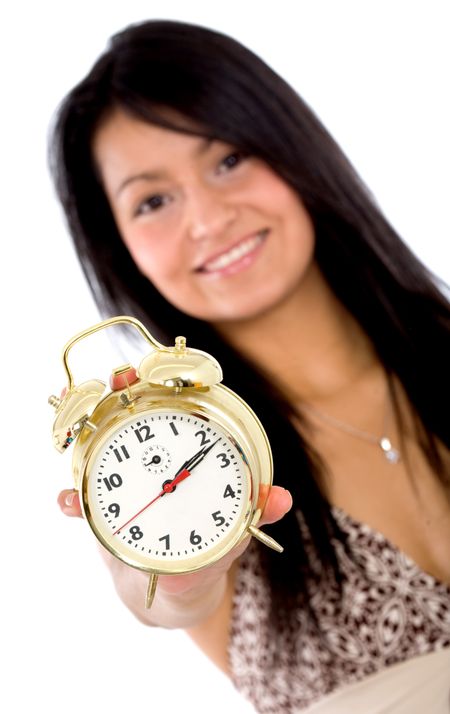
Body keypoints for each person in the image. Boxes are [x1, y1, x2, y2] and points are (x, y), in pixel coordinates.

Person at [50, 19, 450, 713]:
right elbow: (169, 597)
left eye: (228, 159)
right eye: (153, 201)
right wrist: (166, 579)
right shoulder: (190, 464)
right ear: (119, 247)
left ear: (290, 148)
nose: (207, 218)